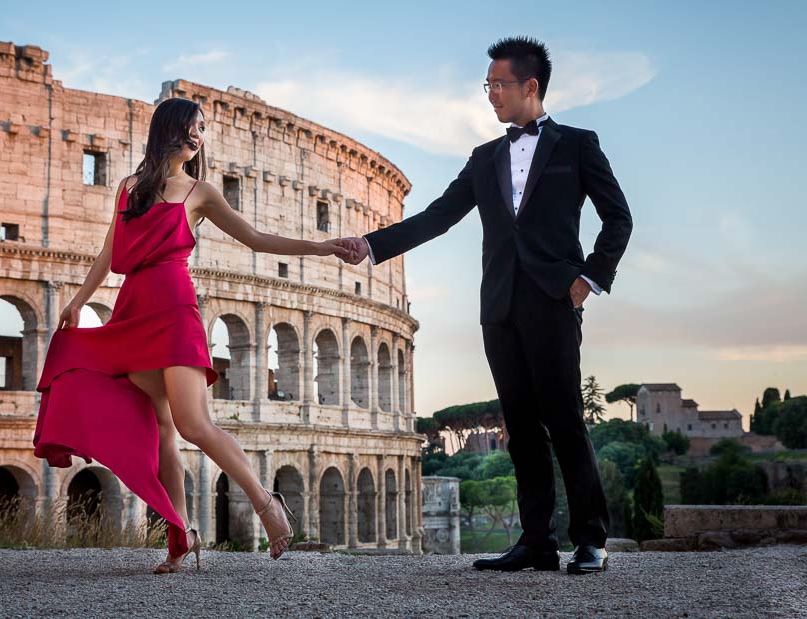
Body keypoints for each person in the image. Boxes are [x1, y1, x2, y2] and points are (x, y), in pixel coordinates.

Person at [336, 37, 632, 575]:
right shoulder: (485, 157)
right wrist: (372, 245)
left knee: (565, 420)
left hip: (554, 300)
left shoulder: (578, 145)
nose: (491, 95)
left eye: (499, 85)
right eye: (487, 85)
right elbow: (437, 216)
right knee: (521, 425)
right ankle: (536, 542)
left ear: (531, 86)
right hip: (498, 306)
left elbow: (619, 218)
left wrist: (590, 277)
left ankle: (591, 540)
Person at [34, 97, 349, 573]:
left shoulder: (199, 192)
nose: (198, 135)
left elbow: (257, 239)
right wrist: (79, 301)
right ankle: (179, 534)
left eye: (203, 129)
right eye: (191, 126)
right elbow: (109, 253)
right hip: (134, 311)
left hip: (176, 311)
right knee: (160, 428)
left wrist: (324, 247)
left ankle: (268, 505)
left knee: (192, 424)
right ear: (167, 129)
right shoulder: (129, 188)